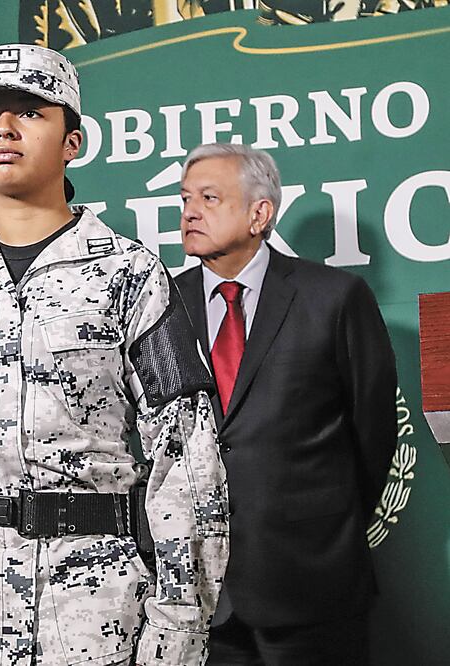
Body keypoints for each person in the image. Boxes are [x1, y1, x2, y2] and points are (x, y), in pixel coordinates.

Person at [0, 44, 228, 666]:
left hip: (91, 616)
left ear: (72, 141)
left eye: (29, 112)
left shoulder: (130, 275)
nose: (2, 128)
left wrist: (175, 641)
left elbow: (187, 469)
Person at [175, 143, 397, 666]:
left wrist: (320, 527)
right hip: (196, 596)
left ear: (260, 213)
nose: (190, 211)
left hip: (311, 587)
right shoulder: (162, 304)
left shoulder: (334, 298)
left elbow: (373, 436)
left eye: (210, 197)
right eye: (185, 198)